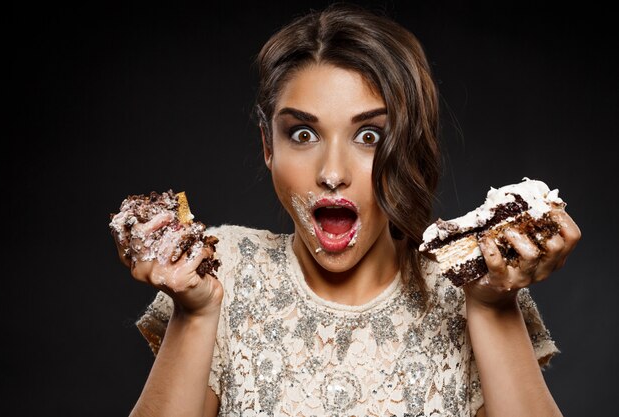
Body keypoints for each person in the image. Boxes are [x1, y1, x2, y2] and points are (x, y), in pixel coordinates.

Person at [113, 3, 580, 416]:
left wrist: (493, 306)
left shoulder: (469, 287)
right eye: (302, 134)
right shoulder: (223, 273)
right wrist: (194, 314)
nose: (332, 172)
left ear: (411, 148)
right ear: (267, 147)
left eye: (369, 136)